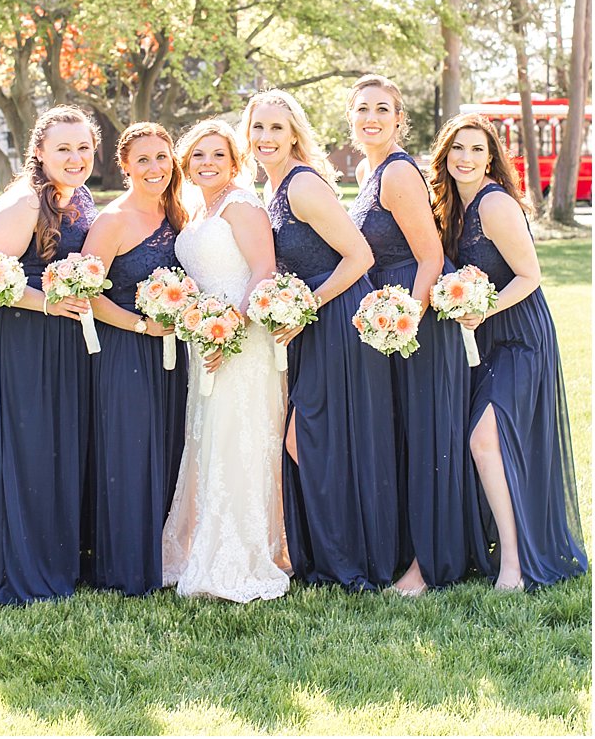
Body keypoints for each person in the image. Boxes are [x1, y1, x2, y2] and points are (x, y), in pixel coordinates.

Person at [244, 89, 397, 591]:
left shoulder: (304, 186)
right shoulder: (272, 188)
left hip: (340, 321)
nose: (265, 138)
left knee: (312, 438)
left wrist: (305, 304)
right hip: (311, 324)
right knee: (310, 439)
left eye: (276, 128)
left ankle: (347, 561)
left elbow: (359, 258)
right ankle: (322, 557)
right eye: (258, 128)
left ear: (294, 135)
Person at [428, 114, 587, 591]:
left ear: (491, 157)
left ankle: (515, 564)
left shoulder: (495, 204)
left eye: (477, 149)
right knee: (488, 444)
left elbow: (530, 275)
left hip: (520, 335)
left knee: (483, 439)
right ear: (446, 155)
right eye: (458, 148)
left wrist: (483, 307)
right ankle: (496, 547)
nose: (466, 158)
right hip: (486, 338)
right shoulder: (452, 204)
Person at [346, 75, 479, 593]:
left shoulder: (398, 172)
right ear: (351, 118)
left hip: (416, 315)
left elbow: (430, 257)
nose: (372, 118)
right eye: (363, 109)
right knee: (403, 434)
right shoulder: (366, 169)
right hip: (390, 317)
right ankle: (407, 548)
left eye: (383, 109)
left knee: (428, 436)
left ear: (400, 120)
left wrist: (408, 320)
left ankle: (431, 564)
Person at [0, 105, 98, 603]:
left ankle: (64, 555)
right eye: (63, 148)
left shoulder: (79, 196)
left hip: (64, 341)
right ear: (39, 152)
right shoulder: (25, 203)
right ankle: (26, 568)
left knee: (59, 447)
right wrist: (46, 300)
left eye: (83, 147)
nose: (75, 156)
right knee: (30, 451)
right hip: (25, 343)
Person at [162, 118, 289, 602]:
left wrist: (229, 327)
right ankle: (202, 546)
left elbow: (264, 271)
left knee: (240, 437)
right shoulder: (198, 209)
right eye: (198, 155)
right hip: (205, 337)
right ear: (187, 164)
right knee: (209, 438)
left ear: (235, 161)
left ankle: (245, 554)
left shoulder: (241, 206)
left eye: (218, 154)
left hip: (242, 338)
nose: (208, 162)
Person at [80, 121, 188, 597]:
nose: (154, 168)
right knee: (131, 453)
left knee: (168, 447)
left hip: (174, 350)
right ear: (124, 166)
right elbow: (87, 294)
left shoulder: (178, 212)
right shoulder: (113, 221)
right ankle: (126, 567)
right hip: (125, 349)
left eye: (161, 157)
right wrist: (143, 325)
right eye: (142, 159)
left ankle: (164, 558)